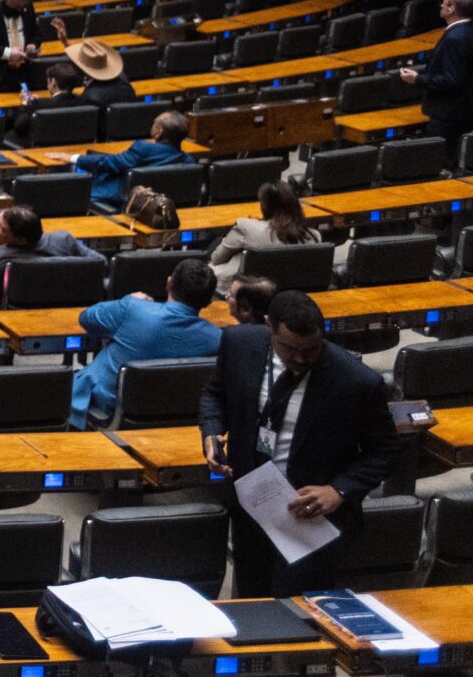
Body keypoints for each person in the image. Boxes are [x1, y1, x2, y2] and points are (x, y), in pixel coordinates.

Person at [201, 287, 401, 595]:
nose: (300, 358)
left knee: (296, 610)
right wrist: (212, 433)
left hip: (309, 517)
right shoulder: (238, 343)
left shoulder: (357, 382)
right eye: (289, 348)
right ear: (268, 326)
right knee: (251, 600)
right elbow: (215, 394)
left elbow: (385, 451)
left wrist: (339, 489)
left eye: (311, 349)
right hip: (250, 505)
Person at [73, 254, 221, 425]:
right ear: (209, 301)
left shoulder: (133, 308)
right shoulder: (217, 338)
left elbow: (86, 318)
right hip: (170, 419)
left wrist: (128, 300)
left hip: (106, 408)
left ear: (169, 283)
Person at [0, 204, 100, 306]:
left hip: (13, 312)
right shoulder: (64, 239)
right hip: (62, 304)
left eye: (1, 228)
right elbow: (100, 262)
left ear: (20, 240)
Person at [401, 0, 473, 142]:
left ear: (451, 9)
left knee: (441, 158)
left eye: (443, 4)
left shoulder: (454, 38)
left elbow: (452, 79)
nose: (440, 6)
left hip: (448, 113)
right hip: (466, 109)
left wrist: (417, 79)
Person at [209, 180, 324, 293]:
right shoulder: (314, 236)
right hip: (291, 292)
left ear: (264, 206)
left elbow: (216, 258)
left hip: (248, 294)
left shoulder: (246, 227)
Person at [75, 109, 190, 212]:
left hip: (121, 203)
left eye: (154, 122)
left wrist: (75, 158)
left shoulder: (142, 148)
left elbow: (112, 163)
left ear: (159, 132)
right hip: (163, 211)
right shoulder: (188, 162)